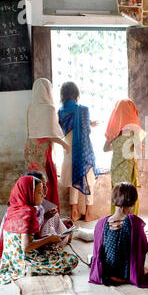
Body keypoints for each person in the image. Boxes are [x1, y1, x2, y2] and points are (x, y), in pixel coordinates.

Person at [0, 176, 78, 284]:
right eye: (39, 192)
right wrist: (49, 239)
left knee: (53, 248)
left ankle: (29, 268)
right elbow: (26, 246)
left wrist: (46, 219)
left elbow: (28, 235)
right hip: (23, 261)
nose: (43, 195)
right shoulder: (28, 213)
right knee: (72, 260)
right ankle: (30, 270)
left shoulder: (14, 209)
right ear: (28, 193)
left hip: (12, 260)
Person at [89, 182, 148, 287]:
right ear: (133, 203)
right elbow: (144, 248)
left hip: (107, 270)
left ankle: (113, 276)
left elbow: (98, 252)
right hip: (126, 271)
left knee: (94, 258)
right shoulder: (133, 222)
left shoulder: (101, 223)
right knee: (140, 263)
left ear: (113, 200)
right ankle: (126, 277)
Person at [24, 78, 71, 213]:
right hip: (42, 150)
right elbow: (49, 134)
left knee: (33, 183)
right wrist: (65, 145)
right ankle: (48, 216)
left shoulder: (31, 107)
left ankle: (34, 214)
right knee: (46, 184)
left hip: (29, 149)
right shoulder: (49, 108)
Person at [58, 81, 99, 222]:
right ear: (76, 94)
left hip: (68, 149)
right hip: (82, 150)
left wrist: (87, 123)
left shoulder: (60, 111)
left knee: (73, 179)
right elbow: (85, 130)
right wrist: (89, 124)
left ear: (63, 95)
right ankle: (88, 213)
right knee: (89, 181)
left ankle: (74, 212)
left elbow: (63, 129)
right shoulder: (83, 109)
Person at [104, 99, 144, 216]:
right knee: (128, 194)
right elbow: (138, 151)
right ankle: (131, 219)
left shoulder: (112, 131)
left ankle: (115, 217)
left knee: (116, 193)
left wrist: (119, 148)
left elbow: (105, 149)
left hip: (115, 167)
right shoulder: (134, 130)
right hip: (127, 169)